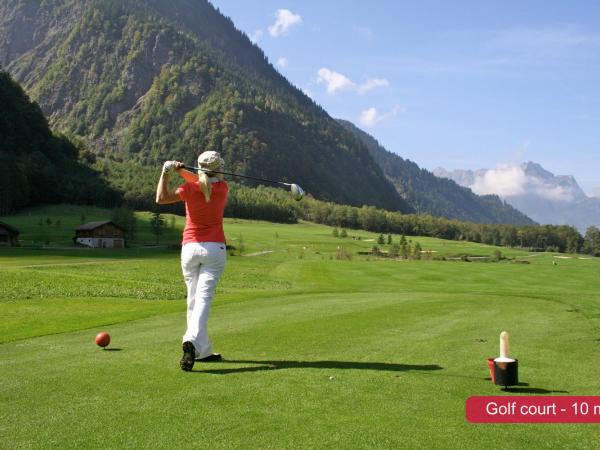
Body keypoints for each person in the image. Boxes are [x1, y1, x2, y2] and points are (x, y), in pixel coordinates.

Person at [155, 151, 228, 371]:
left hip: (189, 249)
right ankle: (192, 340)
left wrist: (167, 172)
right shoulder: (222, 188)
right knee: (203, 299)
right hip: (214, 248)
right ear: (218, 169)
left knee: (193, 300)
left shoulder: (189, 189)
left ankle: (203, 351)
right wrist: (183, 171)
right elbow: (204, 180)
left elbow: (160, 198)